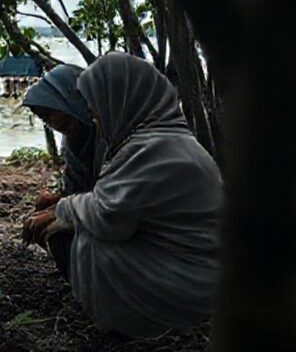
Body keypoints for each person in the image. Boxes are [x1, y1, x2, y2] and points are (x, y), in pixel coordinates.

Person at [23, 53, 222, 338]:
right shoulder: (149, 139)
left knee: (65, 236)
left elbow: (111, 215)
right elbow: (92, 192)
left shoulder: (144, 147)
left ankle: (125, 312)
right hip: (184, 255)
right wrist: (61, 204)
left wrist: (63, 212)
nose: (94, 115)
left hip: (189, 275)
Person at [21, 63, 99, 200]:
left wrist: (60, 210)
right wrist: (58, 199)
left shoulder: (113, 138)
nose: (51, 122)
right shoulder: (73, 139)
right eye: (44, 118)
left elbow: (114, 199)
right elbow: (76, 187)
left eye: (50, 113)